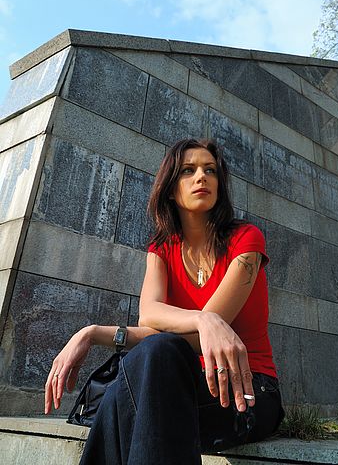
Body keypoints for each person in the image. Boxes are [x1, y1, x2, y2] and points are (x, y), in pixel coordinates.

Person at [45, 138, 284, 464]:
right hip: (175, 386)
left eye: (210, 170)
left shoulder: (246, 240)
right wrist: (90, 333)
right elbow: (150, 315)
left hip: (247, 392)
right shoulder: (161, 250)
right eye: (189, 170)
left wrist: (202, 322)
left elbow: (191, 339)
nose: (202, 177)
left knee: (141, 372)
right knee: (153, 359)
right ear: (171, 188)